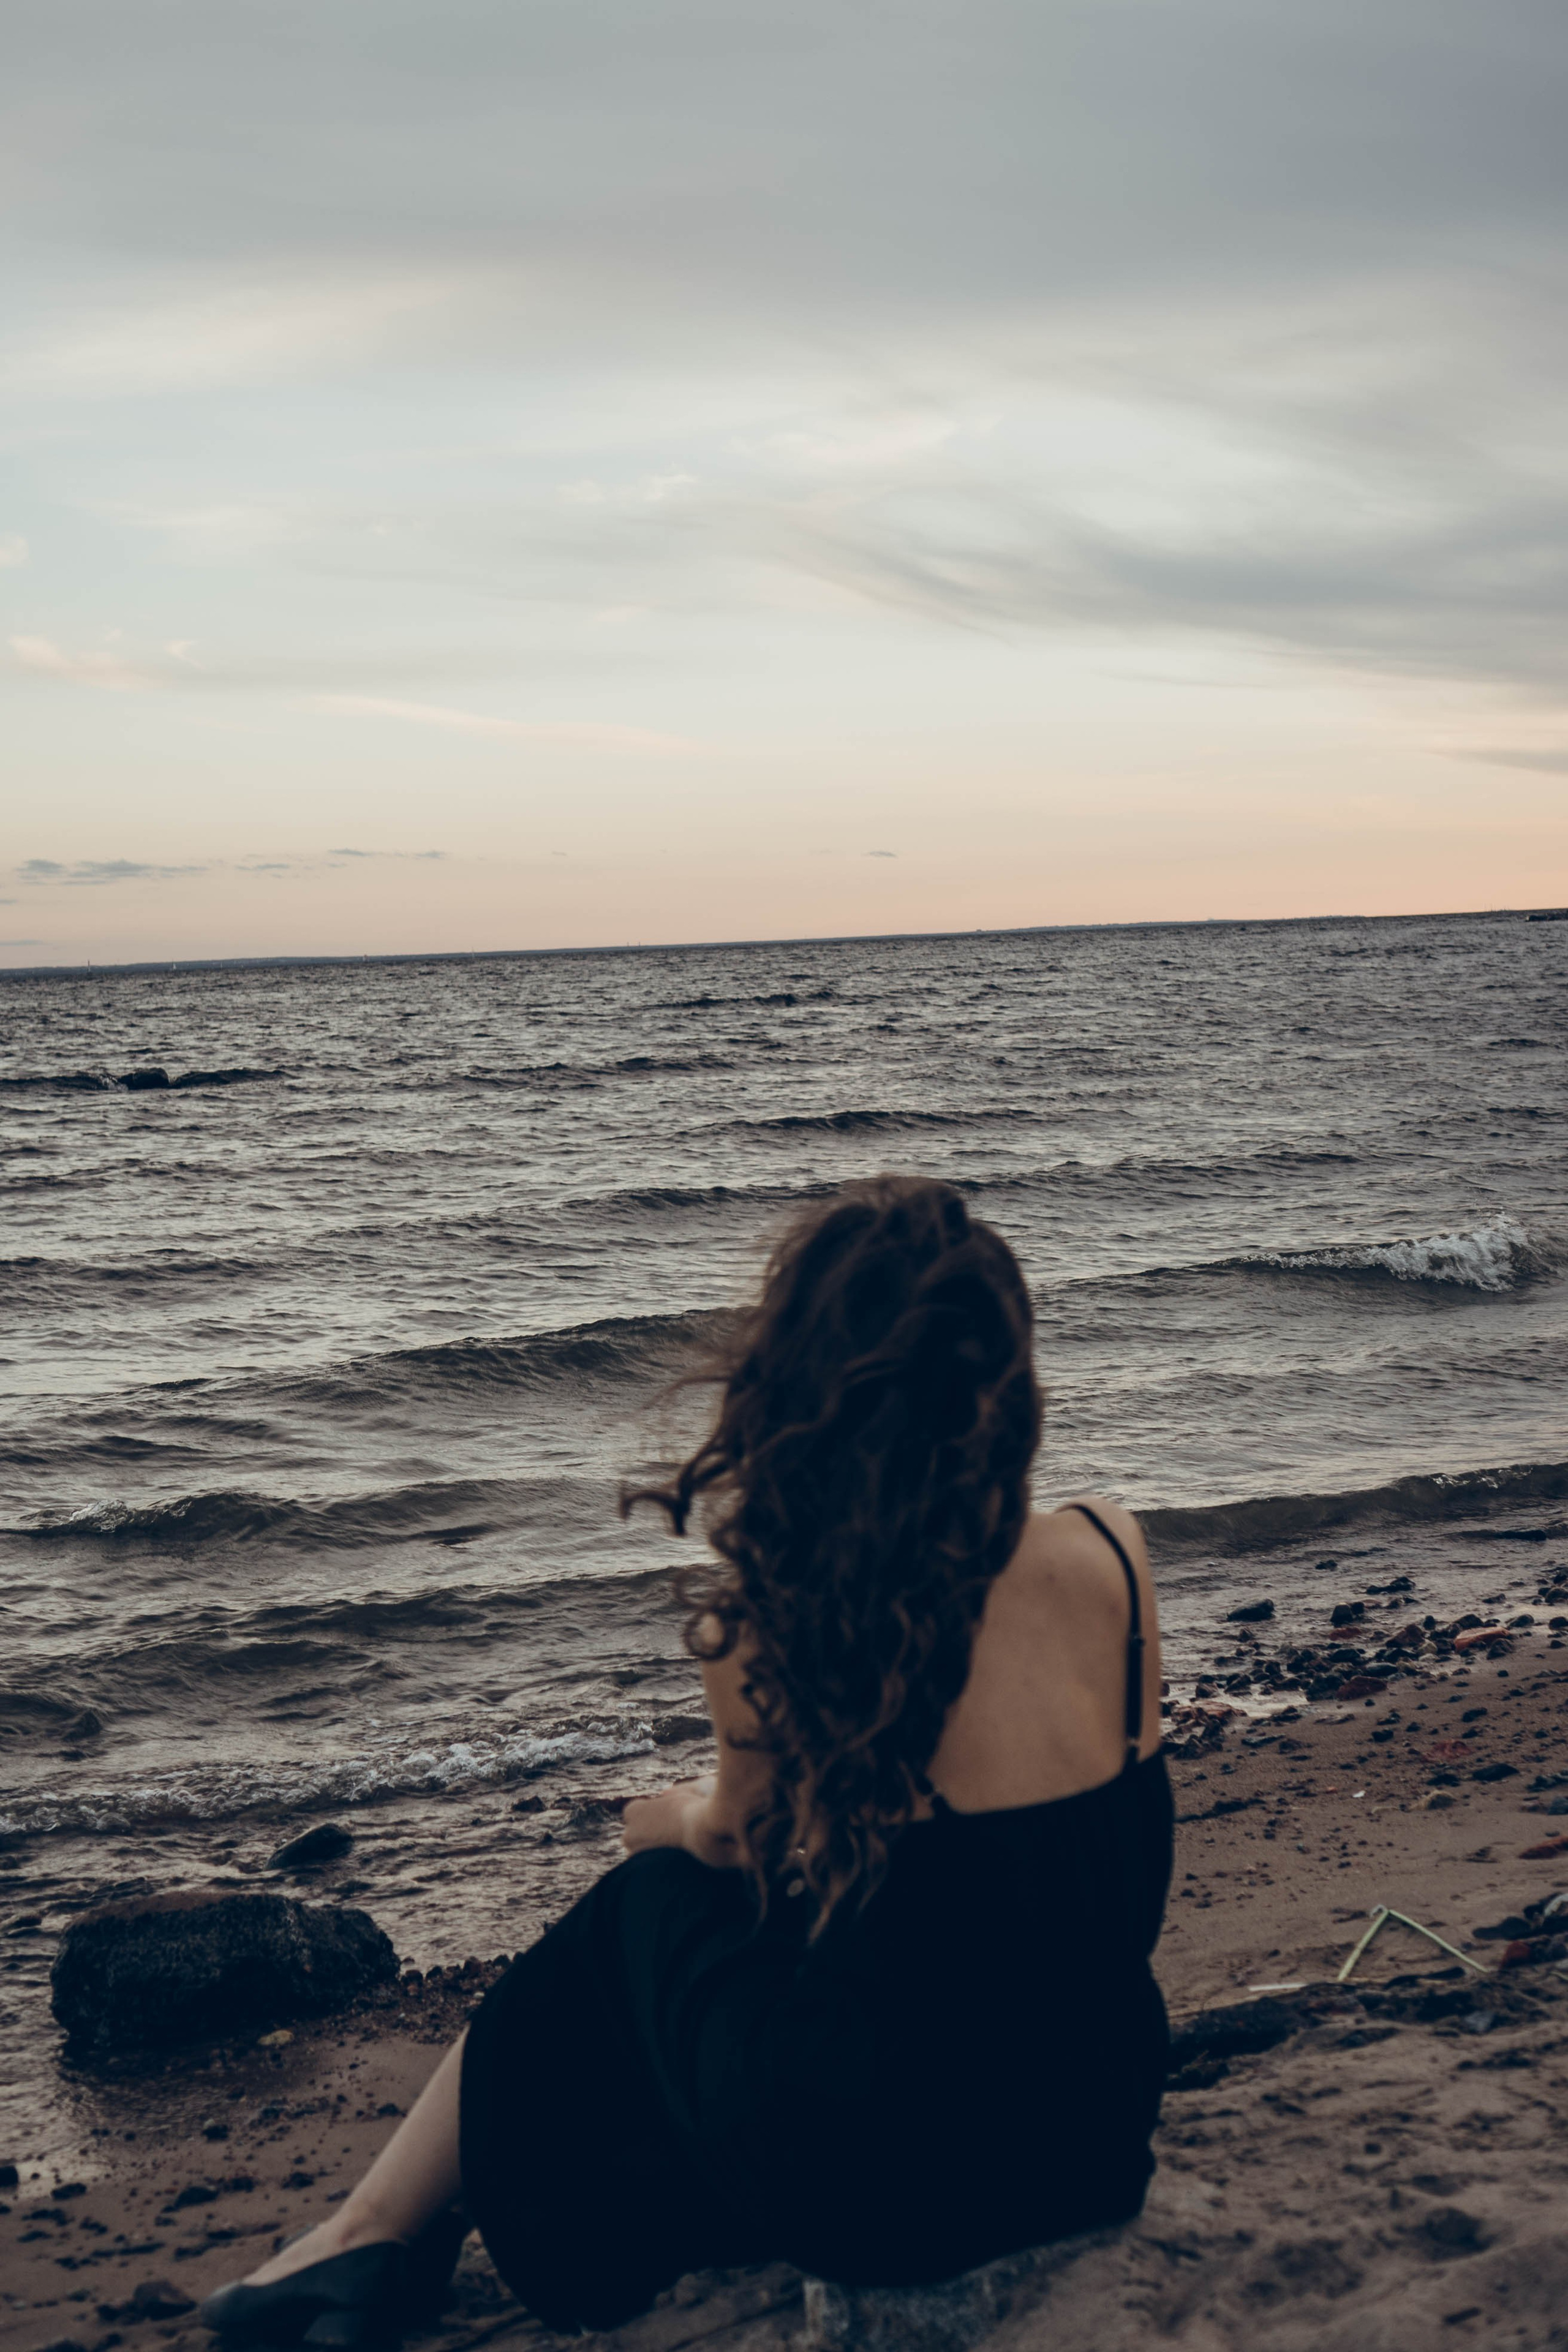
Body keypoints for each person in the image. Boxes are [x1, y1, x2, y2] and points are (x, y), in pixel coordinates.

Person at [200, 1176, 1171, 2348]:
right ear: (1006, 1380)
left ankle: (367, 2235)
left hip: (890, 2202)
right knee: (807, 1963)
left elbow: (735, 1846)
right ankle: (371, 2239)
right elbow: (1044, 1863)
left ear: (808, 1388)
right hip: (1091, 2140)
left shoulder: (787, 1615)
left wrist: (648, 1815)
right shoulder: (1113, 1549)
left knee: (643, 1902)